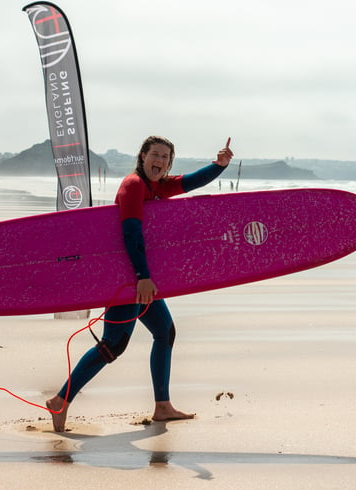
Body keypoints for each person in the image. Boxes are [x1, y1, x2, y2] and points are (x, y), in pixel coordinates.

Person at [45, 136, 234, 432]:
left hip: (140, 278)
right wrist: (143, 278)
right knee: (112, 346)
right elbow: (131, 233)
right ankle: (61, 399)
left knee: (164, 332)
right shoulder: (134, 185)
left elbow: (192, 182)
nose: (159, 161)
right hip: (127, 277)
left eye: (165, 157)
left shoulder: (157, 186)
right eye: (154, 154)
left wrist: (219, 165)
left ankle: (162, 406)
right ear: (143, 156)